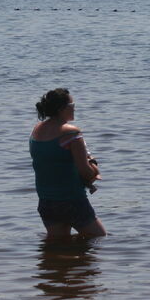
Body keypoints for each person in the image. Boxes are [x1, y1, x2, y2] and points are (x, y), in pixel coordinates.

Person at [29, 88, 105, 237]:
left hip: (46, 201)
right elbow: (85, 172)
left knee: (59, 246)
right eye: (72, 104)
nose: (75, 107)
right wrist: (94, 165)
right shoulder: (71, 132)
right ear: (61, 108)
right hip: (72, 200)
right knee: (100, 240)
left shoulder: (36, 130)